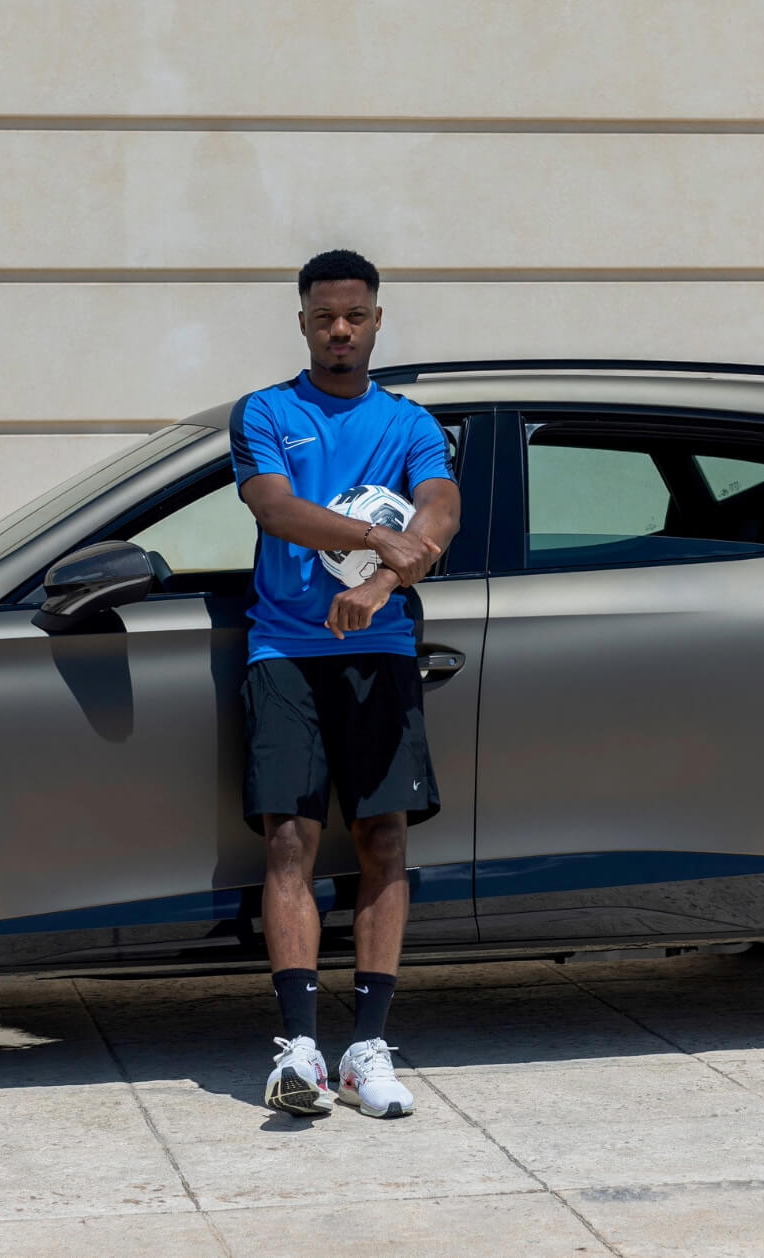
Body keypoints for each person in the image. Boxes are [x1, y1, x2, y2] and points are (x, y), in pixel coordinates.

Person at [230, 249, 461, 1118]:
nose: (339, 330)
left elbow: (439, 508)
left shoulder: (407, 423)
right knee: (287, 841)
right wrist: (377, 534)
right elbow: (274, 507)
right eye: (324, 315)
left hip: (382, 649)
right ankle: (299, 1050)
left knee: (384, 844)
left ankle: (368, 1048)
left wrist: (378, 582)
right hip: (283, 650)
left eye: (355, 316)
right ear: (302, 321)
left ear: (375, 321)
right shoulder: (265, 411)